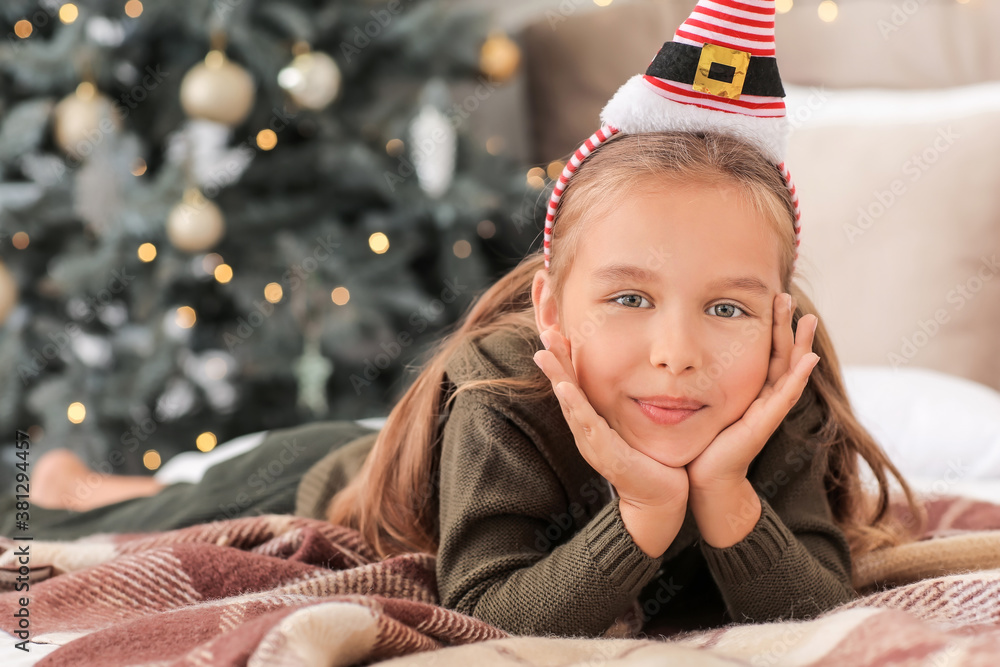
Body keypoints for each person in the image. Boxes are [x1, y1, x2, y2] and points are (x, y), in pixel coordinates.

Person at [6, 0, 928, 640]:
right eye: (629, 297)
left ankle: (92, 480)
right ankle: (76, 486)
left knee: (135, 491)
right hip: (331, 471)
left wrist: (724, 490)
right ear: (549, 306)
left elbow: (811, 607)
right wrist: (649, 508)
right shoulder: (500, 385)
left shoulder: (778, 397)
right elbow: (494, 613)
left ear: (779, 320)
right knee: (159, 506)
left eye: (727, 307)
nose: (676, 354)